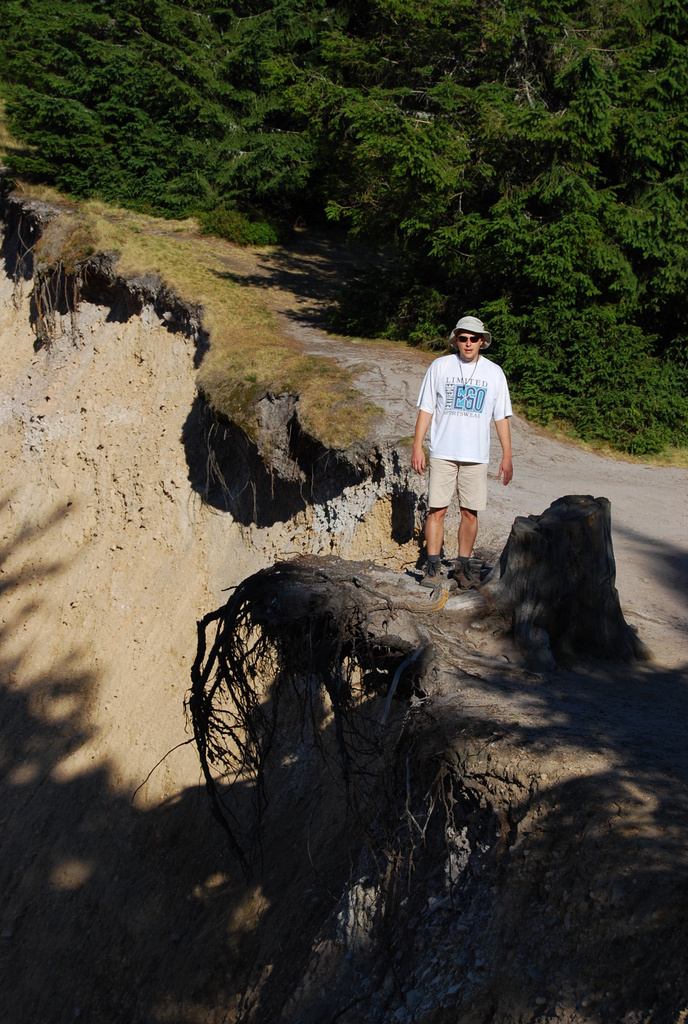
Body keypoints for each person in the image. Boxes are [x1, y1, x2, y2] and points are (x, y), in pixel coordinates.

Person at [411, 314, 513, 588]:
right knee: (437, 510)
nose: (468, 344)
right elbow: (426, 408)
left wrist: (507, 456)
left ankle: (462, 567)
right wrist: (417, 446)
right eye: (463, 338)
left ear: (482, 341)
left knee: (470, 512)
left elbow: (501, 417)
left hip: (476, 456)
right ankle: (432, 569)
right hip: (443, 452)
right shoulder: (440, 366)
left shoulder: (494, 373)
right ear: (456, 340)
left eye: (474, 339)